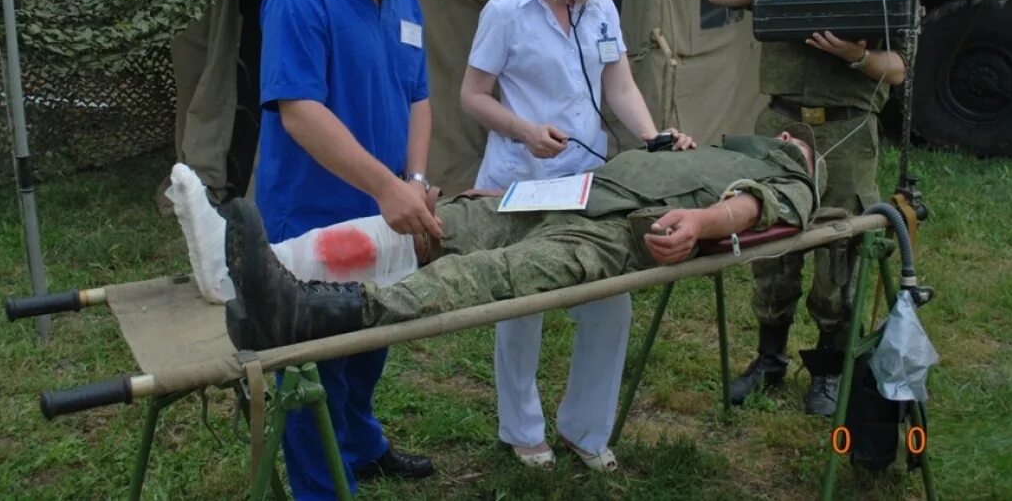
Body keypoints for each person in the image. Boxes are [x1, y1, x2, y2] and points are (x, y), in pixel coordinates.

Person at [253, 0, 474, 499]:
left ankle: (360, 444)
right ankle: (322, 485)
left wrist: (416, 176)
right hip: (313, 215)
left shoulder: (404, 1)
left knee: (372, 335)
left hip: (384, 212)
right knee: (314, 359)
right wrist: (386, 186)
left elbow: (418, 99)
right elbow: (300, 113)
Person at [459, 0, 694, 471]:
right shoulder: (506, 12)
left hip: (588, 182)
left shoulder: (602, 8)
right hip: (520, 176)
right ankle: (521, 430)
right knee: (522, 302)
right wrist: (524, 130)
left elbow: (619, 85)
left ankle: (585, 430)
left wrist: (651, 137)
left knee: (609, 302)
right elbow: (472, 96)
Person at [212, 131, 824, 356]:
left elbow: (756, 209)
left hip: (618, 232)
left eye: (796, 143)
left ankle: (313, 313)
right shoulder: (716, 146)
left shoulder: (791, 177)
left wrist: (702, 224)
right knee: (447, 223)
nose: (785, 135)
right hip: (573, 193)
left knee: (500, 274)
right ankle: (277, 272)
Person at [706, 0, 910, 417]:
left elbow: (897, 69)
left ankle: (828, 368)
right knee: (770, 236)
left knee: (838, 244)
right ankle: (768, 359)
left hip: (847, 127)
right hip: (784, 124)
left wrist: (856, 56)